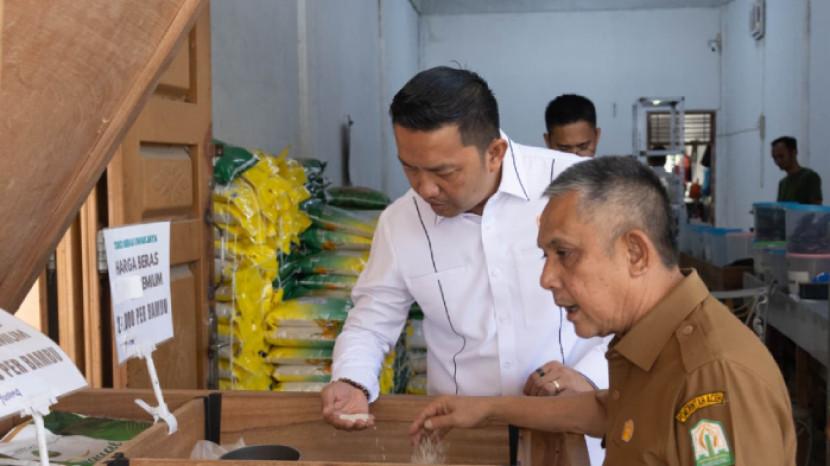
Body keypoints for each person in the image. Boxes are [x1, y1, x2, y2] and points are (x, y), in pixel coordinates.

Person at [411, 156, 796, 465]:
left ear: (635, 253)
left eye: (564, 254)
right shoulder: (651, 344)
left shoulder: (713, 377)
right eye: (545, 256)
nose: (546, 279)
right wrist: (486, 408)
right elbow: (609, 410)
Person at [321, 67, 609, 464]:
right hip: (463, 441)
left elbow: (634, 307)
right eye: (410, 168)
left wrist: (590, 375)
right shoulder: (400, 222)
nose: (425, 189)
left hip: (571, 433)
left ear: (495, 153)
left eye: (443, 172)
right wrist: (352, 379)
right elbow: (372, 319)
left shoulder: (575, 187)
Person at [772, 136, 822, 204]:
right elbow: (780, 208)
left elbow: (816, 208)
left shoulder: (810, 177)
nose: (777, 161)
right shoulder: (782, 183)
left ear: (794, 153)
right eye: (775, 158)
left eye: (781, 156)